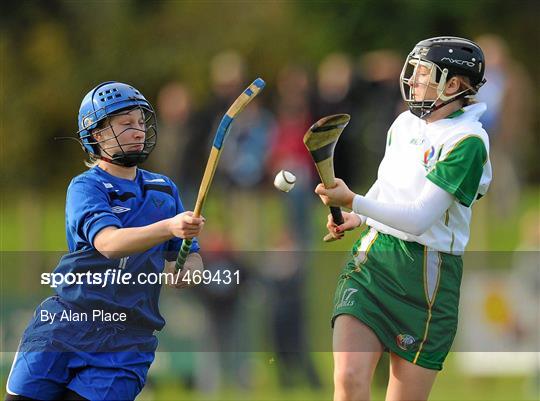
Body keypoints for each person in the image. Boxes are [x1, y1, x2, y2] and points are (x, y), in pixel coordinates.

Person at [315, 37, 492, 401]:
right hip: (373, 262)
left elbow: (418, 219)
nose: (411, 80)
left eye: (423, 72)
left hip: (427, 277)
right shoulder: (404, 123)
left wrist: (355, 200)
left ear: (453, 85)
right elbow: (389, 185)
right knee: (348, 378)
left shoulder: (468, 142)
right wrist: (358, 217)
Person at [5, 81, 205, 401]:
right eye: (126, 124)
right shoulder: (86, 187)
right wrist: (169, 227)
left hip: (126, 342)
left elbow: (189, 255)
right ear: (97, 135)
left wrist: (190, 269)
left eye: (141, 122)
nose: (139, 131)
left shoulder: (164, 190)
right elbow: (109, 243)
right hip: (64, 325)